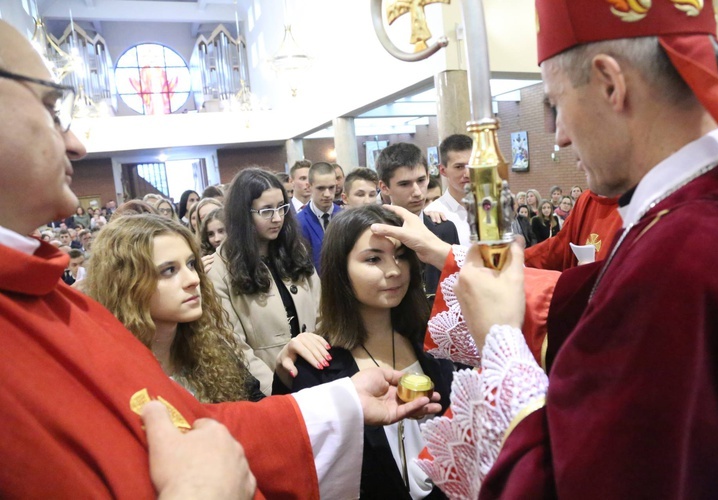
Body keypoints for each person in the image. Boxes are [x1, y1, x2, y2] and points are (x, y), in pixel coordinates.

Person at [0, 20, 441, 499]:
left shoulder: (53, 300)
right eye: (50, 107)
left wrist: (340, 403)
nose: (76, 144)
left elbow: (197, 424)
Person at [390, 1, 718, 497]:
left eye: (556, 104)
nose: (557, 137)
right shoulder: (710, 211)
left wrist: (501, 338)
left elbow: (583, 482)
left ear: (610, 83)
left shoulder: (684, 254)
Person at [292, 205, 453, 499]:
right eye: (373, 259)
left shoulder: (431, 337)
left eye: (401, 256)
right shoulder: (319, 365)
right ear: (340, 269)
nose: (393, 271)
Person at [86, 214, 265, 403]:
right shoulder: (107, 378)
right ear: (128, 285)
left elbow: (256, 413)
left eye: (191, 264)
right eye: (169, 270)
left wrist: (284, 372)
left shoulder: (212, 350)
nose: (193, 279)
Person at [208, 167, 320, 395]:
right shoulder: (220, 268)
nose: (277, 218)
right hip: (267, 389)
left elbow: (322, 311)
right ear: (243, 214)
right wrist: (276, 390)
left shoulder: (294, 250)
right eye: (266, 210)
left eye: (281, 207)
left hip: (316, 378)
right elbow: (234, 345)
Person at [376, 143, 459, 300]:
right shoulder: (376, 232)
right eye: (405, 184)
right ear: (385, 187)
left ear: (428, 176)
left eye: (421, 180)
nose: (416, 192)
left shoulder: (444, 228)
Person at [525, 189, 621, 271]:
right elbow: (561, 244)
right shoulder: (585, 199)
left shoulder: (634, 207)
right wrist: (522, 258)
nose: (580, 167)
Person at [424, 134, 472, 246]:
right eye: (459, 167)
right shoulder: (434, 215)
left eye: (471, 165)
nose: (468, 174)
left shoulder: (490, 206)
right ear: (443, 170)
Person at [297, 161, 343, 273]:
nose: (327, 194)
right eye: (321, 188)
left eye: (331, 187)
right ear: (309, 186)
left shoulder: (345, 217)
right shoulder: (298, 222)